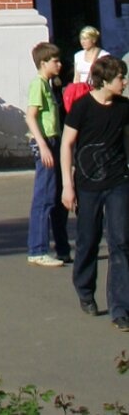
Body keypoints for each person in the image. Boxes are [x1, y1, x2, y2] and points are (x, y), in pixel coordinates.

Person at [60, 53, 129, 326]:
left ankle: (121, 308)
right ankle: (85, 290)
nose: (124, 82)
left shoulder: (124, 108)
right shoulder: (82, 108)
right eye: (120, 77)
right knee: (88, 240)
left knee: (121, 242)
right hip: (87, 185)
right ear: (105, 80)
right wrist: (68, 185)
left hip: (118, 182)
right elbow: (67, 144)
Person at [25, 42, 70, 266]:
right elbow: (31, 116)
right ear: (43, 63)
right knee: (44, 197)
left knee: (58, 196)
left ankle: (62, 248)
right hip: (46, 143)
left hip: (55, 140)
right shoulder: (38, 85)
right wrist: (42, 145)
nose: (59, 64)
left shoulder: (50, 85)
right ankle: (37, 249)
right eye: (55, 61)